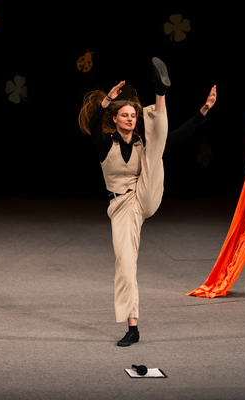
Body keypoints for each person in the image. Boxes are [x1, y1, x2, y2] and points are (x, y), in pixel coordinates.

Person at [78, 57, 217, 346]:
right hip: (121, 207)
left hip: (146, 194)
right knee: (126, 265)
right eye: (125, 115)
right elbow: (93, 123)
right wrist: (107, 101)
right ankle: (133, 328)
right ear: (115, 120)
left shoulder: (143, 141)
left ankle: (159, 92)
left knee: (156, 147)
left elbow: (177, 135)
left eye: (133, 115)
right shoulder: (105, 143)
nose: (130, 119)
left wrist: (203, 111)